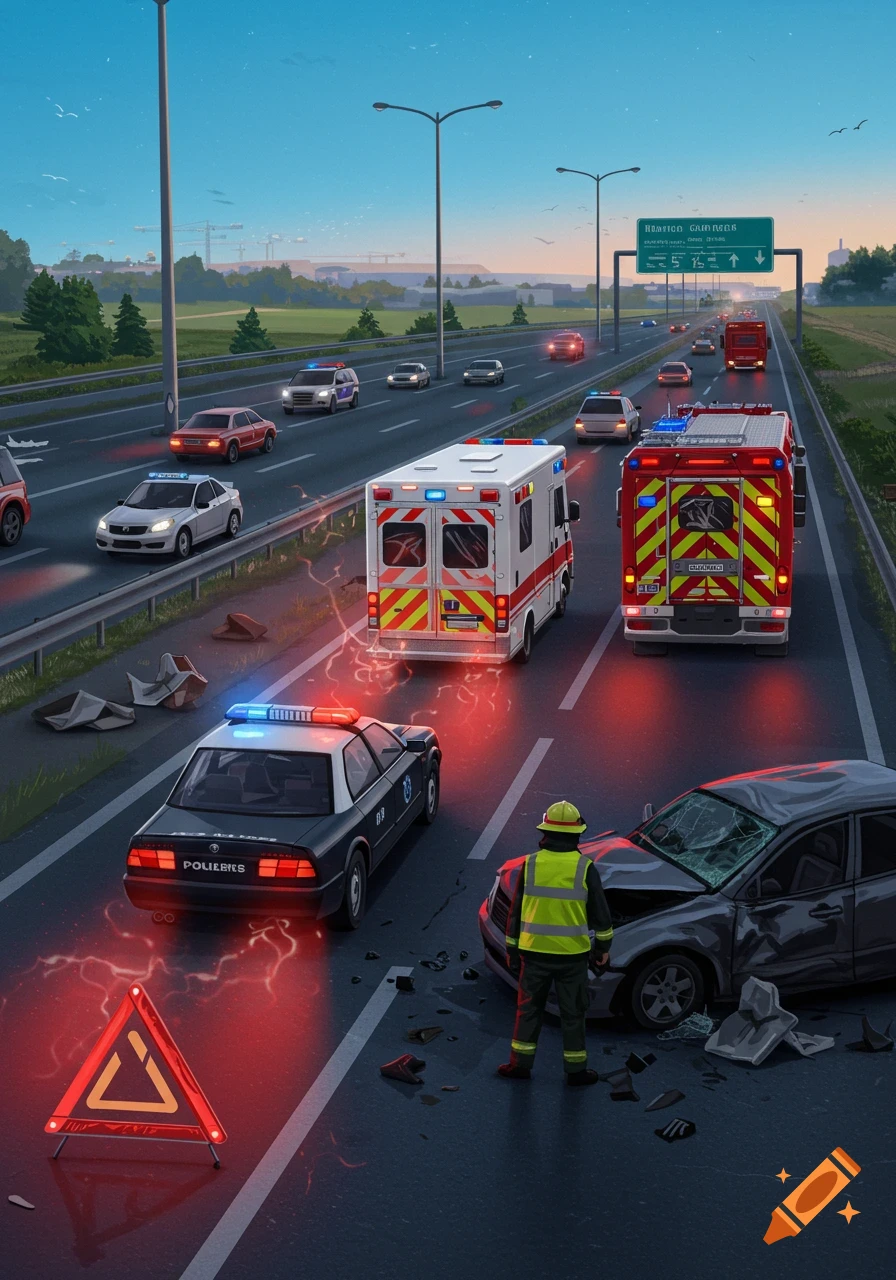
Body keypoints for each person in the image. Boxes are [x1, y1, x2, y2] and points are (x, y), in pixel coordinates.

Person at [498, 801, 613, 1086]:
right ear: (577, 835)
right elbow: (601, 915)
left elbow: (516, 912)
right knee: (573, 1014)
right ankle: (575, 1071)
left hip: (533, 954)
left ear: (545, 832)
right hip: (572, 958)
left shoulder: (531, 863)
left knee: (528, 1010)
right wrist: (602, 950)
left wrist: (511, 950)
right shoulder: (585, 868)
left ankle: (520, 1066)